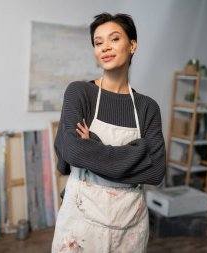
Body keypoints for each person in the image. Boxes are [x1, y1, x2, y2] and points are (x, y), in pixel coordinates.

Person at [51, 13, 166, 252]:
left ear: (132, 45)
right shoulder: (80, 93)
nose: (105, 47)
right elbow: (71, 154)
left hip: (130, 227)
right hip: (81, 225)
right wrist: (136, 153)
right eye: (98, 42)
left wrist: (92, 144)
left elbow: (156, 171)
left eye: (114, 39)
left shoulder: (147, 107)